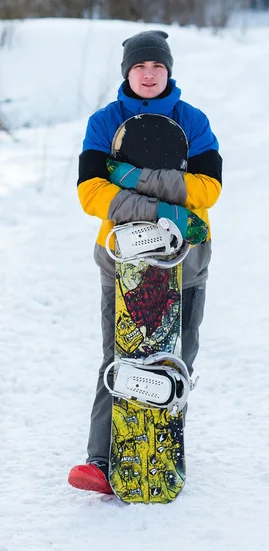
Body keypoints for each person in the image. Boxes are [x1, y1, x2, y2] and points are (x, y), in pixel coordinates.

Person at [68, 30, 222, 494]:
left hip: (186, 257)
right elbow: (90, 193)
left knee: (177, 356)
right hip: (122, 259)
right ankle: (101, 459)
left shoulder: (192, 121)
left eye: (157, 66)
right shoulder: (103, 122)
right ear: (127, 72)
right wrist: (162, 206)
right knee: (118, 353)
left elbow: (208, 189)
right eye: (140, 67)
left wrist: (130, 178)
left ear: (168, 71)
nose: (149, 74)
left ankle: (163, 453)